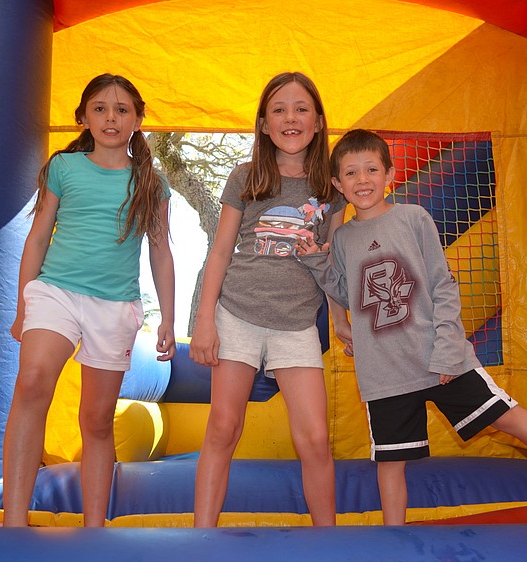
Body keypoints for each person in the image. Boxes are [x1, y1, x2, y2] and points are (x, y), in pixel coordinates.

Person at [296, 129, 527, 525]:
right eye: (351, 173)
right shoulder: (343, 240)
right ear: (338, 184)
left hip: (435, 354)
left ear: (389, 174)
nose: (363, 180)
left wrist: (446, 348)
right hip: (385, 371)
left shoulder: (412, 217)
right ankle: (394, 539)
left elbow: (442, 284)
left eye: (372, 169)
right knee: (391, 462)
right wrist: (318, 262)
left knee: (506, 415)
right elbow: (348, 291)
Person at [2, 74, 175, 527]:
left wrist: (169, 320)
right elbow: (38, 238)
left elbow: (160, 251)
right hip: (55, 291)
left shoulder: (150, 183)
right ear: (83, 117)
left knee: (97, 420)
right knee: (33, 380)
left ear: (138, 119)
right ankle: (14, 522)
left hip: (114, 306)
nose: (111, 117)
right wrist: (24, 305)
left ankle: (94, 530)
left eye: (121, 109)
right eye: (99, 108)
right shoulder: (64, 167)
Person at [188, 72, 347, 527]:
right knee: (223, 426)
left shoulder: (330, 189)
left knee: (315, 438)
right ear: (262, 124)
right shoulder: (248, 176)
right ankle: (203, 537)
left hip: (296, 323)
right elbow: (220, 251)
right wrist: (204, 319)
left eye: (301, 109)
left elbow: (330, 262)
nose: (290, 118)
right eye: (279, 110)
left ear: (318, 121)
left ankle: (328, 540)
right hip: (238, 312)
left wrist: (338, 318)